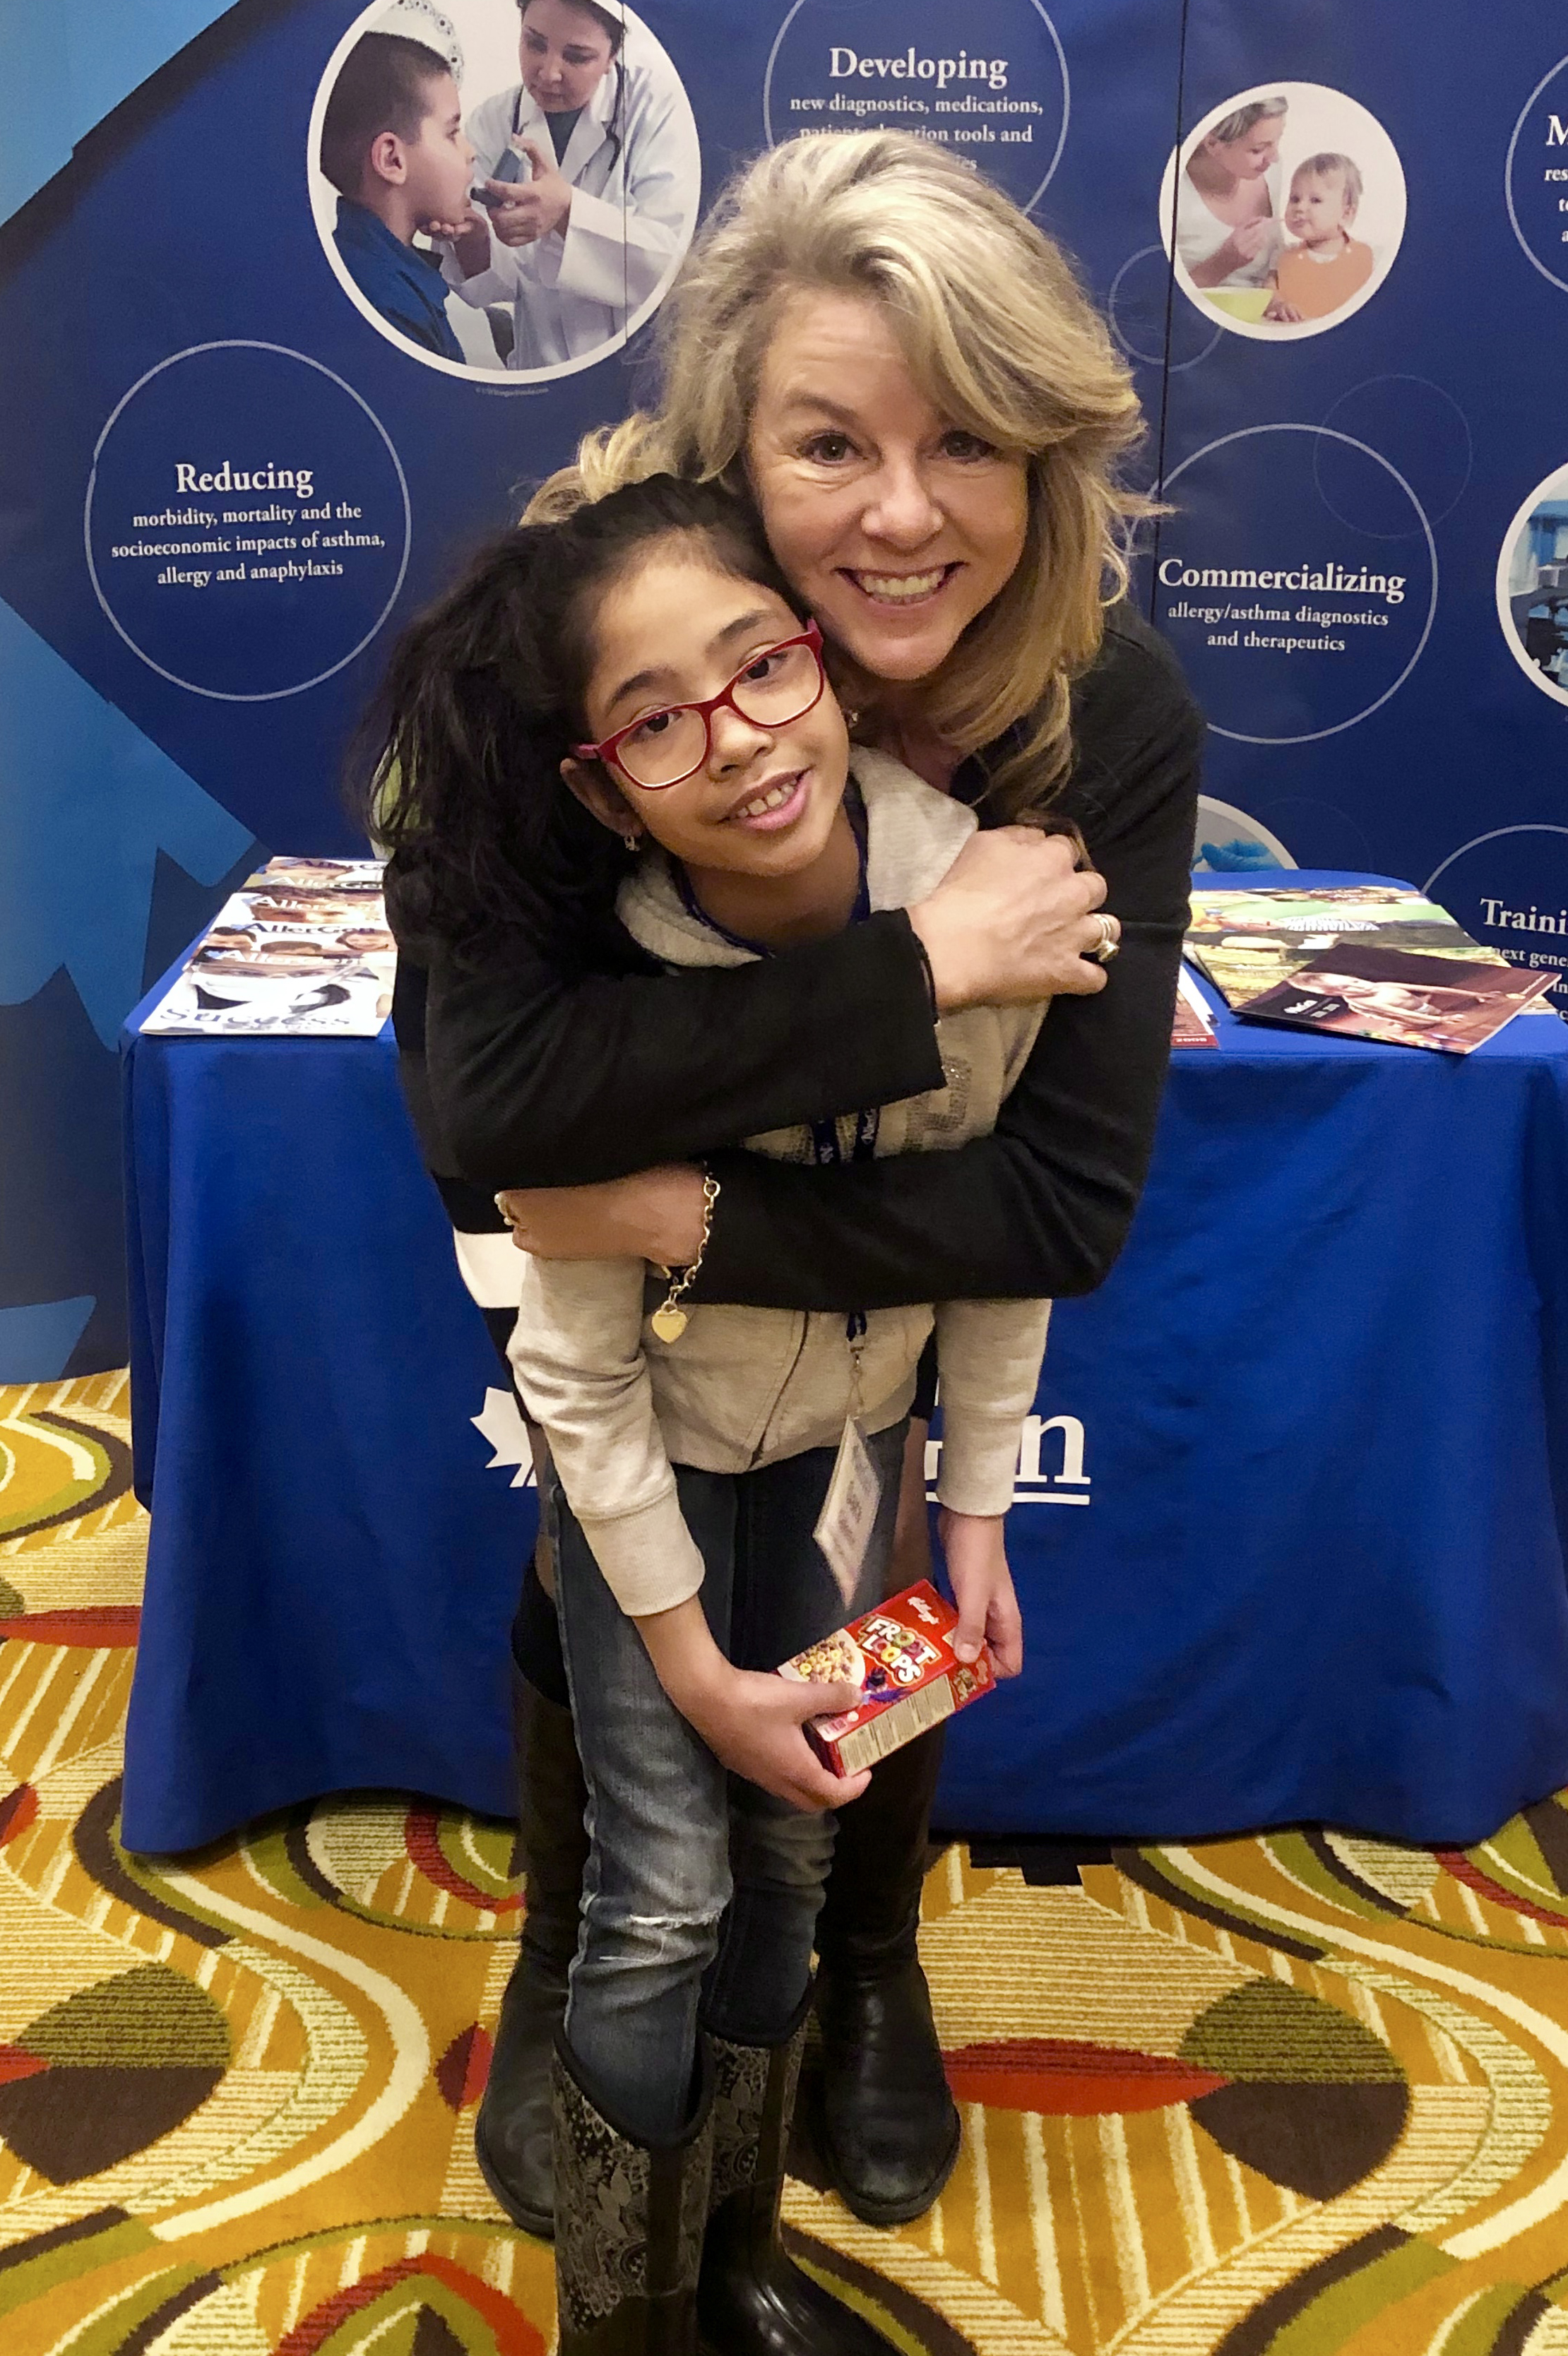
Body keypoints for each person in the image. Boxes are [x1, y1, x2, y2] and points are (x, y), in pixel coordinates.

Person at [384, 128, 1202, 2252]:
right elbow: (484, 1102)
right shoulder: (600, 640)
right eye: (830, 444)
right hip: (625, 1339)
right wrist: (912, 973)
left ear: (1045, 458)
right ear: (730, 458)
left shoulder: (1104, 710)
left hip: (818, 1293)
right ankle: (571, 1951)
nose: (901, 515)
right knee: (607, 1556)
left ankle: (867, 1956)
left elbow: (1054, 1210)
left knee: (875, 1566)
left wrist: (695, 1222)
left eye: (968, 440)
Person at [372, 470, 1059, 2353]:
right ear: (602, 786)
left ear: (827, 656)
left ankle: (731, 2251)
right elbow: (576, 1367)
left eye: (762, 667)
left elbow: (1014, 1235)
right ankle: (624, 2308)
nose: (738, 737)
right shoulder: (610, 983)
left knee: (788, 1866)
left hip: (848, 1463)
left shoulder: (980, 889)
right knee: (662, 1892)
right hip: (653, 1490)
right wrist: (683, 1659)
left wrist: (976, 1506)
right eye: (656, 719)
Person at [436, 0, 699, 370]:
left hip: (639, 370)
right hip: (539, 370)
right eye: (535, 43)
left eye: (576, 57)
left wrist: (566, 212)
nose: (548, 74)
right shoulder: (495, 121)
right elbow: (495, 287)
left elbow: (669, 264)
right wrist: (474, 241)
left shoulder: (656, 108)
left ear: (612, 56)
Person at [318, 32, 475, 360]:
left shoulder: (373, 269)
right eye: (452, 133)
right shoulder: (386, 308)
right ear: (392, 160)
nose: (469, 152)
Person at [1175, 96, 1288, 291]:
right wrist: (1222, 263)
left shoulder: (1271, 171)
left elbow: (1279, 264)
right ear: (1212, 144)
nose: (1275, 157)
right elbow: (1154, 298)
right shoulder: (1175, 193)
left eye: (1277, 140)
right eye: (1258, 150)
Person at [1265, 153, 1373, 324]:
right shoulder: (1282, 255)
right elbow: (1268, 291)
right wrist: (1278, 304)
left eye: (1315, 200)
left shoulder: (1367, 258)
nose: (1300, 207)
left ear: (1346, 214)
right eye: (1295, 199)